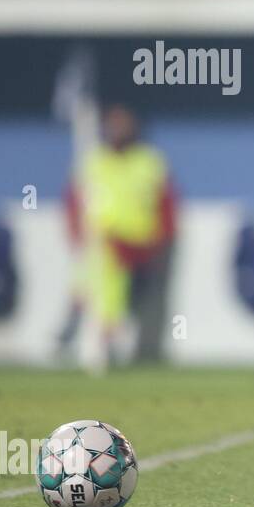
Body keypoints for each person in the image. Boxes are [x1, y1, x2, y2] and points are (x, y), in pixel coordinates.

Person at [61, 105, 177, 367]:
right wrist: (77, 235)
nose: (118, 129)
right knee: (97, 293)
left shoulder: (149, 161)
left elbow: (166, 203)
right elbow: (73, 202)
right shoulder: (93, 161)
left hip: (144, 244)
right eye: (113, 124)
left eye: (123, 123)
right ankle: (81, 340)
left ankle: (146, 352)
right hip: (105, 244)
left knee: (147, 303)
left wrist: (165, 240)